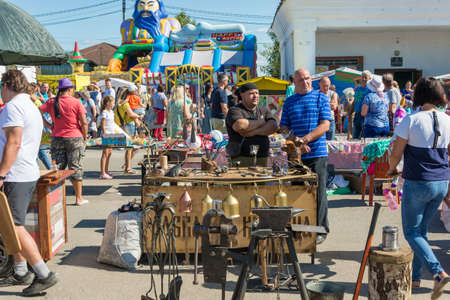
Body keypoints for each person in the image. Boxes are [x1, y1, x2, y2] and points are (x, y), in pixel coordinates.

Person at [387, 77, 450, 299]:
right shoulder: (447, 120)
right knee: (421, 231)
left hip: (418, 182)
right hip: (442, 182)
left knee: (412, 232)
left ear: (418, 94)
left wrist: (391, 169)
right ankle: (414, 277)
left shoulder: (411, 119)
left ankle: (438, 272)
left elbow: (396, 152)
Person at [0, 70, 58, 295]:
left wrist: (2, 173)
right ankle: (22, 270)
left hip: (16, 173)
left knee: (14, 226)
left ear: (6, 85)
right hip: (25, 171)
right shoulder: (28, 104)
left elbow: (13, 143)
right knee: (12, 224)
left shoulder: (13, 107)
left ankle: (44, 274)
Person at [280, 68, 332, 244]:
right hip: (296, 155)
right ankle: (300, 228)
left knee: (318, 192)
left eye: (307, 78)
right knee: (298, 192)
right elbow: (284, 128)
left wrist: (306, 140)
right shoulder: (289, 102)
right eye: (301, 80)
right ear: (294, 82)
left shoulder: (321, 97)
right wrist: (296, 140)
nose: (305, 82)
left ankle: (320, 230)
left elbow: (325, 125)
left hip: (317, 152)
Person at [40, 78, 88, 206]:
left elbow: (38, 110)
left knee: (57, 168)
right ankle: (78, 198)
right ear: (70, 89)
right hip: (74, 137)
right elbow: (83, 122)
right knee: (75, 166)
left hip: (56, 137)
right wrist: (85, 136)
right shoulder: (76, 102)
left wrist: (49, 125)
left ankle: (54, 199)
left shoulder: (51, 101)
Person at [226, 83, 278, 167]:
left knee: (261, 180)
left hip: (262, 156)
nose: (255, 96)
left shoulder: (264, 110)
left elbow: (273, 126)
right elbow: (239, 125)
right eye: (251, 93)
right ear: (242, 95)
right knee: (243, 180)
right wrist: (261, 122)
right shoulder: (235, 110)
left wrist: (252, 132)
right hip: (241, 156)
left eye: (257, 93)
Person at [114, 89, 142, 174]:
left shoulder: (118, 104)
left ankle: (127, 165)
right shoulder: (125, 104)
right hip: (129, 125)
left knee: (134, 147)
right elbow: (131, 114)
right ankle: (127, 167)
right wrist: (138, 116)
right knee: (131, 147)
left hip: (124, 125)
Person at [29, 83, 52, 170]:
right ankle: (50, 170)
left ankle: (36, 172)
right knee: (40, 151)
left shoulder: (36, 102)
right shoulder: (36, 100)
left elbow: (42, 116)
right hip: (39, 129)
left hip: (37, 129)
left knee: (36, 151)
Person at [98, 96, 115, 179]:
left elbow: (112, 124)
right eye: (112, 102)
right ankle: (102, 173)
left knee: (109, 153)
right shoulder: (104, 112)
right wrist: (105, 135)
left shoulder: (111, 112)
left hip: (111, 134)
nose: (113, 104)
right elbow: (103, 125)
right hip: (106, 135)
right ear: (108, 103)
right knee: (105, 154)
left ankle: (106, 171)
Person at [352, 71, 371, 139]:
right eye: (362, 77)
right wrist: (351, 111)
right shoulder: (357, 88)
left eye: (366, 77)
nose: (363, 79)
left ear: (369, 78)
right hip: (357, 114)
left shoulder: (370, 90)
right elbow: (355, 101)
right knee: (355, 136)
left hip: (366, 116)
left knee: (363, 137)